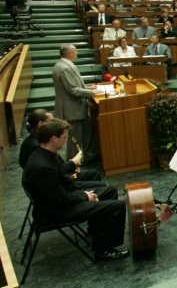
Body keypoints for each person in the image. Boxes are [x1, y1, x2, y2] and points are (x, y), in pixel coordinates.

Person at [23, 119, 129, 261]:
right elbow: (60, 200)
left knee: (110, 191)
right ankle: (104, 250)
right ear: (53, 138)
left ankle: (97, 232)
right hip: (56, 211)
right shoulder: (42, 166)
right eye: (64, 137)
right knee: (118, 206)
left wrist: (83, 192)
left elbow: (60, 181)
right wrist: (85, 196)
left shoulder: (44, 153)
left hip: (61, 199)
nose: (66, 140)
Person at [52, 45, 102, 162]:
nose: (77, 53)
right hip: (72, 109)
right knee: (75, 136)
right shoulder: (64, 68)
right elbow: (72, 90)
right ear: (69, 53)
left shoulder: (66, 64)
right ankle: (73, 161)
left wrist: (86, 87)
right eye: (75, 51)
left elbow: (74, 85)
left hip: (77, 107)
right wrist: (91, 92)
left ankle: (89, 155)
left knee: (87, 131)